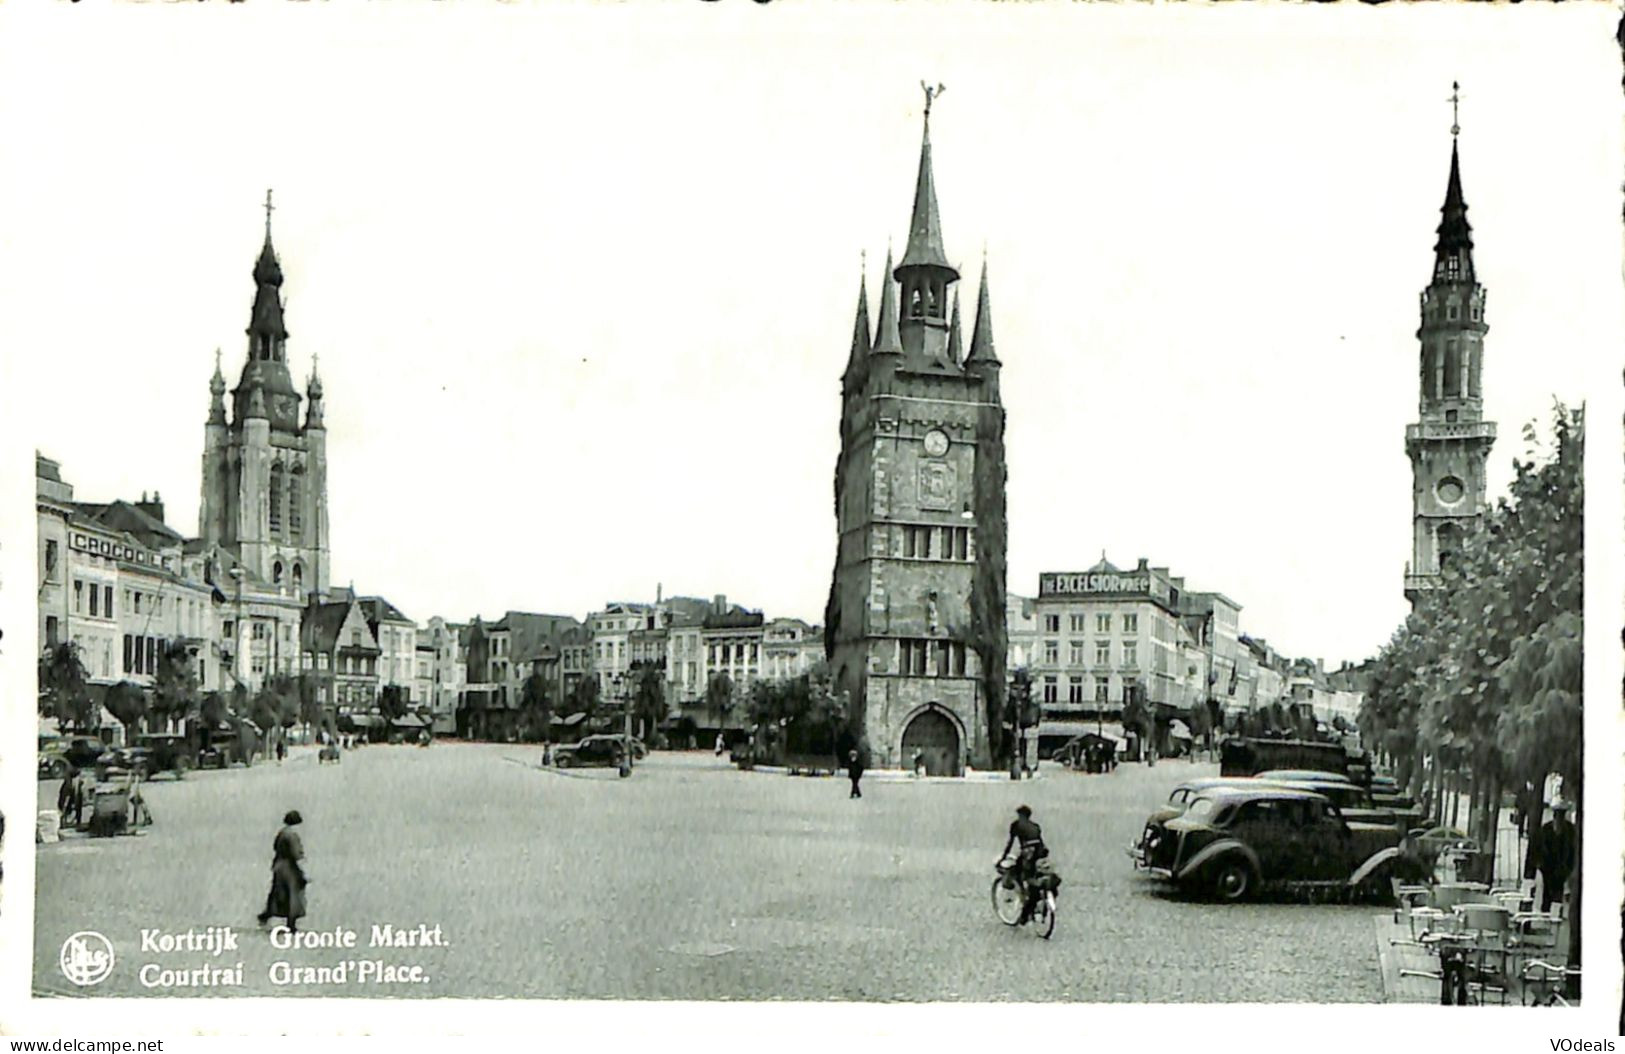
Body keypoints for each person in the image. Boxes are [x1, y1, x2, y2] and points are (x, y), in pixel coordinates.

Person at [257, 810, 309, 933]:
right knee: (293, 894)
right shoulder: (293, 835)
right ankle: (291, 923)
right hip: (289, 867)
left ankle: (267, 914)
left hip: (279, 865)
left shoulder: (282, 833)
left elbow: (275, 847)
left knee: (278, 893)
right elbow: (296, 853)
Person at [1000, 805, 1048, 924]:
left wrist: (1003, 857)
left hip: (1027, 853)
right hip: (1037, 853)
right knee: (1033, 873)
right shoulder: (1036, 826)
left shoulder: (1016, 825)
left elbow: (1010, 843)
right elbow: (1041, 843)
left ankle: (1024, 897)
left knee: (1021, 872)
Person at [1527, 801, 1577, 914]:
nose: (1559, 820)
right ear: (1554, 817)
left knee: (1558, 895)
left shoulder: (1570, 830)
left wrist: (1570, 866)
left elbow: (1572, 848)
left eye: (1561, 817)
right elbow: (1538, 848)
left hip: (1563, 867)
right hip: (1548, 868)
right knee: (1547, 893)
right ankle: (1546, 912)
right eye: (1557, 816)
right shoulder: (1545, 830)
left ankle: (1555, 916)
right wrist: (1539, 865)